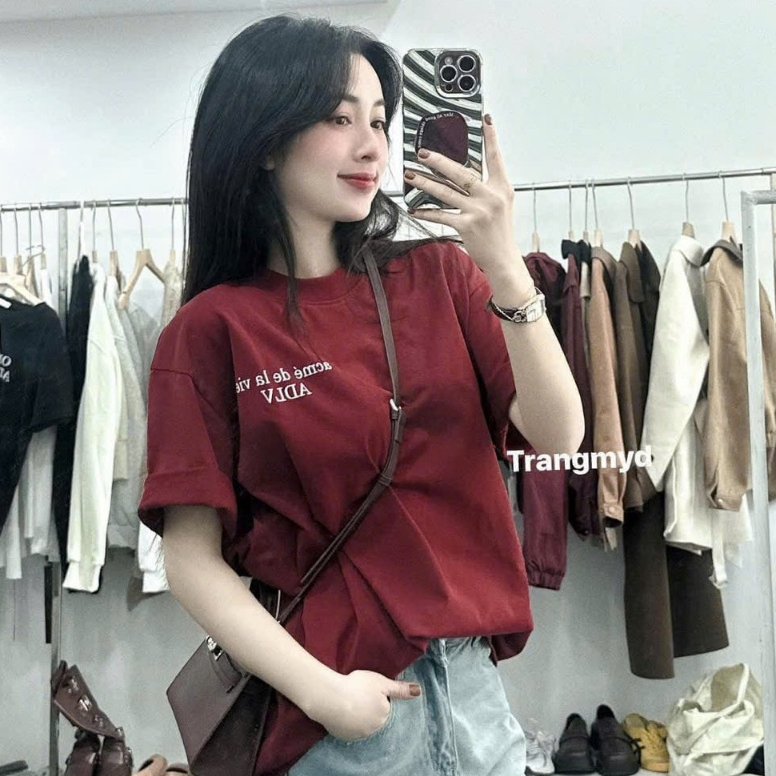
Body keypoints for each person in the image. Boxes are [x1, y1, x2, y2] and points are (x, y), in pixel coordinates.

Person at [138, 13, 584, 776]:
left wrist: (505, 265)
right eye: (339, 118)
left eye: (380, 120)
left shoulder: (441, 276)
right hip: (336, 716)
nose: (372, 145)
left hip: (475, 698)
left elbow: (559, 433)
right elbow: (191, 559)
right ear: (265, 138)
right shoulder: (210, 330)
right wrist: (323, 693)